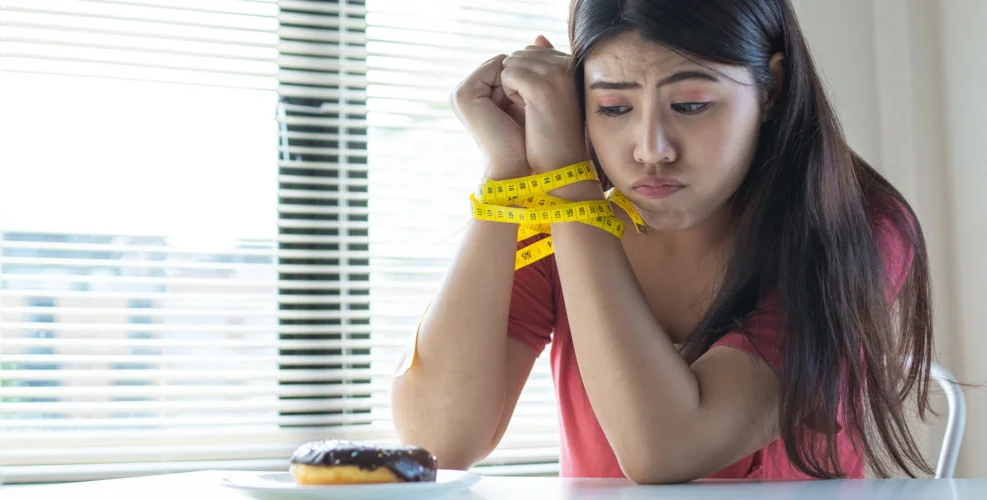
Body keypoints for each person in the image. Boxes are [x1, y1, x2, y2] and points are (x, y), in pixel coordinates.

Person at [390, 0, 935, 483]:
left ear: (771, 88)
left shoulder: (858, 228)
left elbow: (667, 448)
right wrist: (507, 171)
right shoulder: (564, 219)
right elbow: (440, 441)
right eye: (614, 108)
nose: (651, 150)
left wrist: (569, 183)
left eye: (691, 104)